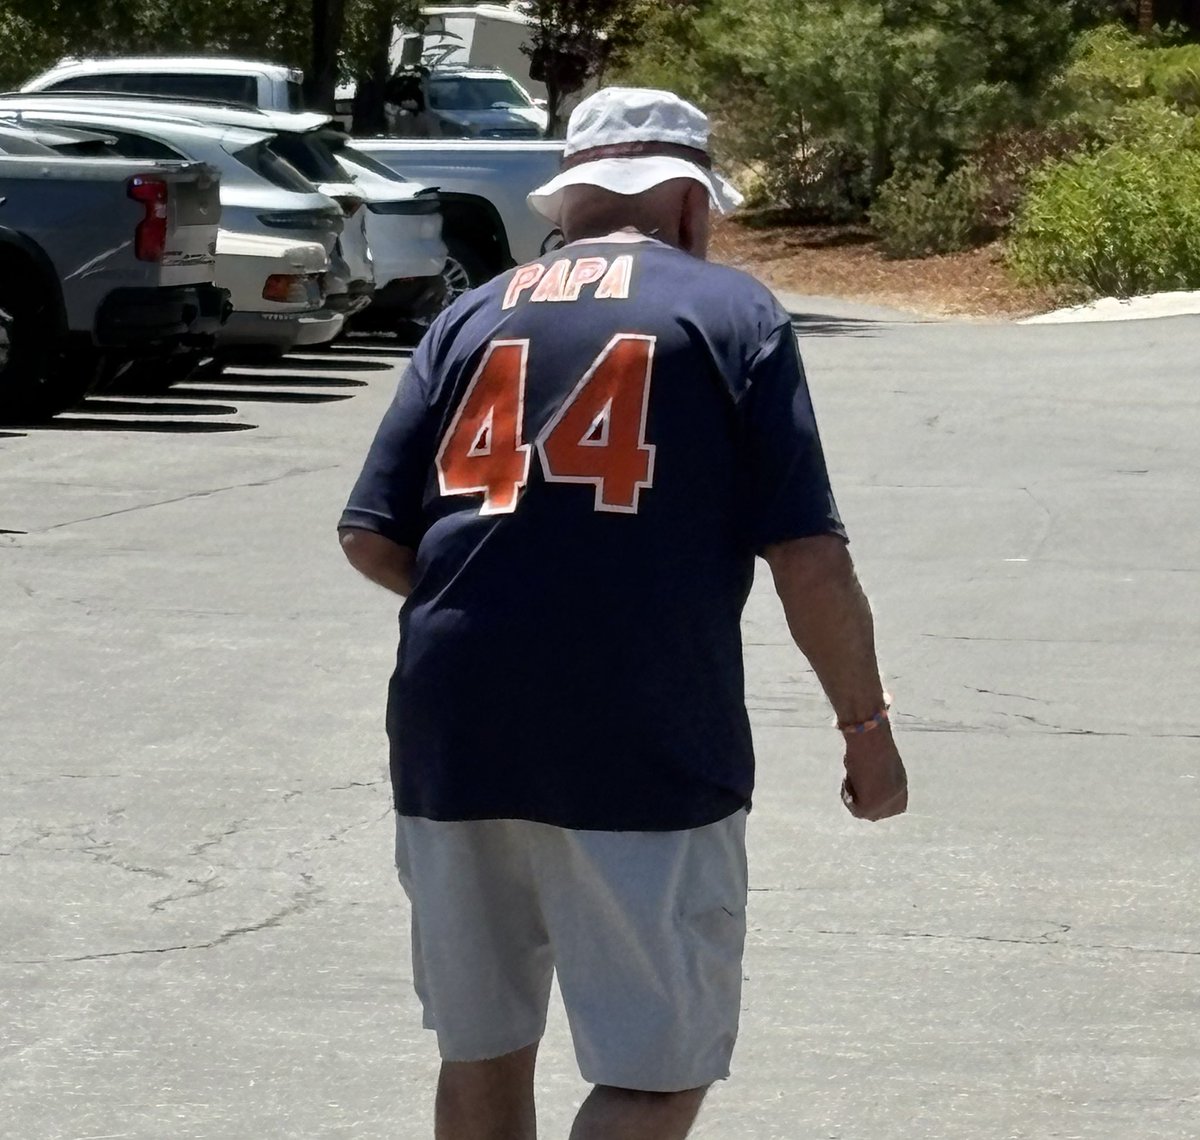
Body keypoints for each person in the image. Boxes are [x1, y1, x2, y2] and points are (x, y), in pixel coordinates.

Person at [338, 86, 908, 1140]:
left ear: (571, 200)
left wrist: (500, 600)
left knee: (483, 1046)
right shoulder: (730, 311)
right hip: (642, 727)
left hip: (453, 727)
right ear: (691, 205)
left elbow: (370, 532)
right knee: (654, 1068)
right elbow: (808, 558)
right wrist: (866, 729)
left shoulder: (470, 314)